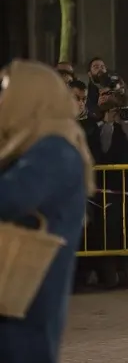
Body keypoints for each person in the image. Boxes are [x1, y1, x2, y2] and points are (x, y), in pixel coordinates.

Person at [0, 60, 95, 362]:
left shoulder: (54, 148)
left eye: (6, 90)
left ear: (32, 96)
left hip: (26, 288)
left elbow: (11, 198)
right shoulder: (31, 144)